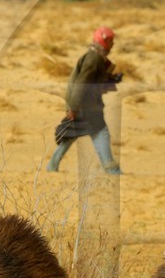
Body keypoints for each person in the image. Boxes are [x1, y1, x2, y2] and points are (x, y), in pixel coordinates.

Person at [47, 26, 123, 174]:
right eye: (111, 41)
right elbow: (82, 83)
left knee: (71, 134)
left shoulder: (96, 57)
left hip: (83, 104)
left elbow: (94, 82)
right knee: (101, 133)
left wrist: (112, 79)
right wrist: (73, 107)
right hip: (85, 105)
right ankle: (111, 169)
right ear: (104, 41)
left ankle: (52, 166)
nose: (113, 44)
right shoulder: (94, 58)